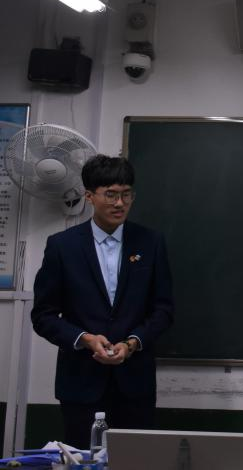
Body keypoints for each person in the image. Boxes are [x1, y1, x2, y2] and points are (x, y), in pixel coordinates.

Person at [32, 154, 174, 449]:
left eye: (126, 194)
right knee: (84, 462)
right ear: (89, 196)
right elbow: (43, 315)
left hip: (135, 385)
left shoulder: (150, 243)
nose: (120, 203)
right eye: (110, 194)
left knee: (136, 461)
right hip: (80, 385)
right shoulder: (62, 246)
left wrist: (132, 343)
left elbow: (163, 309)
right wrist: (84, 339)